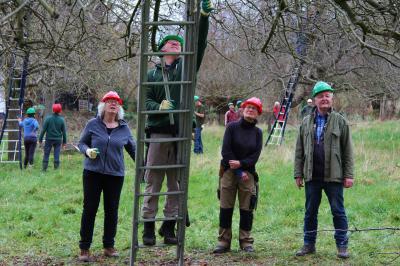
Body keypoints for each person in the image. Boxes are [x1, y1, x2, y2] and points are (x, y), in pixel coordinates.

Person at [141, 0, 214, 246]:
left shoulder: (185, 69)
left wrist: (203, 18)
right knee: (153, 182)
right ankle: (148, 228)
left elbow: (198, 44)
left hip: (181, 133)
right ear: (162, 48)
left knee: (175, 184)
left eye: (179, 43)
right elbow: (145, 101)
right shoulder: (151, 74)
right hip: (159, 134)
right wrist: (158, 108)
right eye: (172, 42)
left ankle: (169, 227)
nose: (177, 44)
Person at [294, 81, 354, 259]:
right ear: (314, 99)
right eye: (320, 96)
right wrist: (298, 173)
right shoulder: (305, 122)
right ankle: (308, 244)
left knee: (338, 211)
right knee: (310, 212)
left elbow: (348, 151)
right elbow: (299, 151)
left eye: (327, 95)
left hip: (334, 176)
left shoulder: (341, 121)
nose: (324, 99)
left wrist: (349, 175)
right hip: (312, 175)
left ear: (332, 99)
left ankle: (342, 246)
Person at [77, 91, 136, 262]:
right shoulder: (93, 124)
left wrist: (144, 166)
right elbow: (82, 143)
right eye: (110, 101)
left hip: (115, 175)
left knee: (112, 211)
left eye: (116, 102)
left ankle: (109, 246)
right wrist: (87, 151)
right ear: (103, 105)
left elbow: (134, 150)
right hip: (92, 174)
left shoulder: (124, 128)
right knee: (89, 209)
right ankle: (84, 248)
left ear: (119, 107)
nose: (113, 104)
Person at [213, 97, 263, 254]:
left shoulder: (258, 133)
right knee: (225, 207)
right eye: (248, 107)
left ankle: (245, 241)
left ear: (258, 113)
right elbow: (226, 151)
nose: (250, 110)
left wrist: (242, 165)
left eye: (254, 108)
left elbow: (255, 156)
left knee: (247, 209)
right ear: (242, 110)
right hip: (228, 173)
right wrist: (238, 171)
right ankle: (223, 241)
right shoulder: (231, 127)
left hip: (248, 175)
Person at [39, 103, 67, 171]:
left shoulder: (48, 119)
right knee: (56, 154)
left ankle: (44, 169)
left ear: (53, 110)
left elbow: (43, 130)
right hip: (58, 140)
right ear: (60, 111)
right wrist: (64, 143)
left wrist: (40, 140)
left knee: (46, 153)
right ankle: (56, 169)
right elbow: (64, 132)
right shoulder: (62, 120)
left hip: (49, 139)